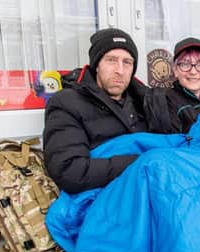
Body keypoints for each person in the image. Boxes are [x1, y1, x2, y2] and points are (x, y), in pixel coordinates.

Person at [43, 28, 148, 194]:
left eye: (127, 62)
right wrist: (140, 163)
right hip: (103, 199)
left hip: (145, 190)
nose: (120, 70)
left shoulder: (145, 100)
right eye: (112, 60)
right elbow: (69, 171)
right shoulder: (67, 103)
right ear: (96, 65)